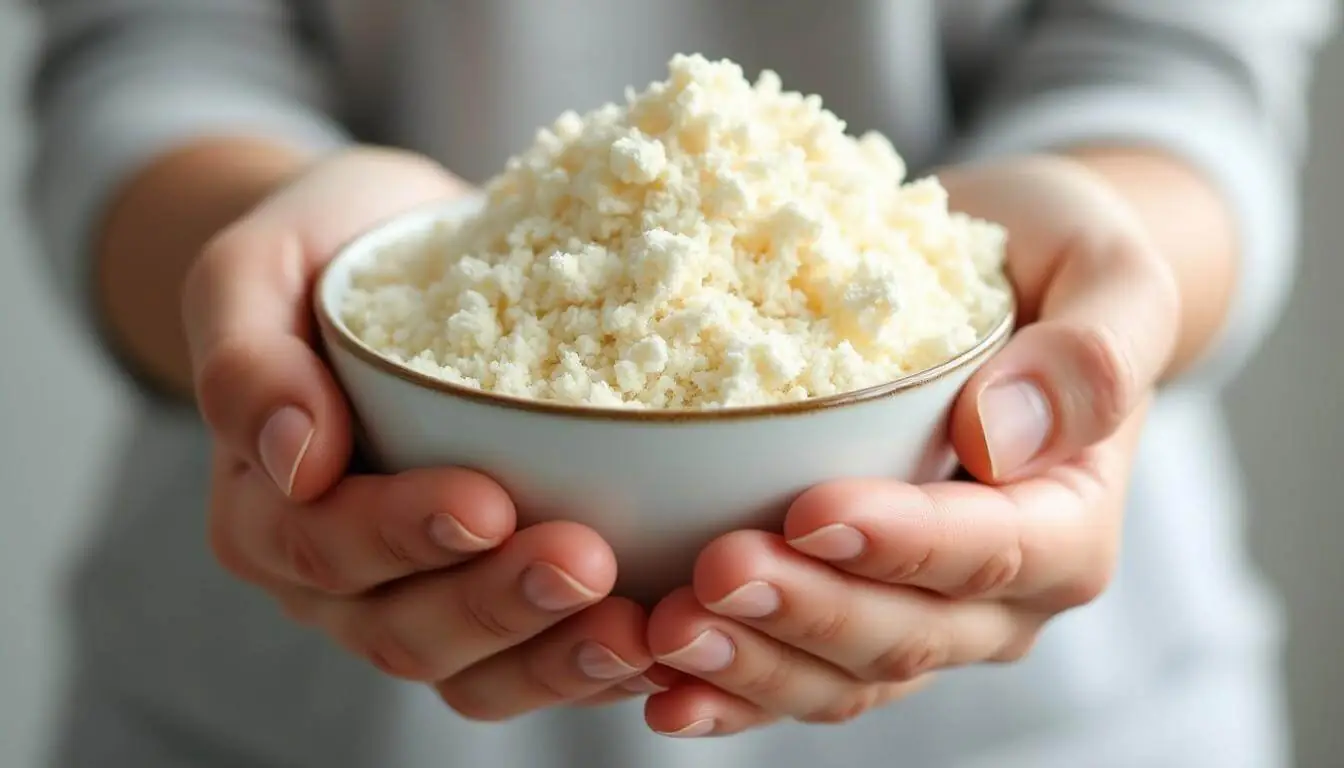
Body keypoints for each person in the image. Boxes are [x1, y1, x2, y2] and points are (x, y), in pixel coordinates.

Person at [26, 1, 1335, 766]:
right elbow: (148, 49)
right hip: (280, 708)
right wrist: (265, 276)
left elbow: (1180, 62)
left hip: (1045, 718)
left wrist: (1094, 268)